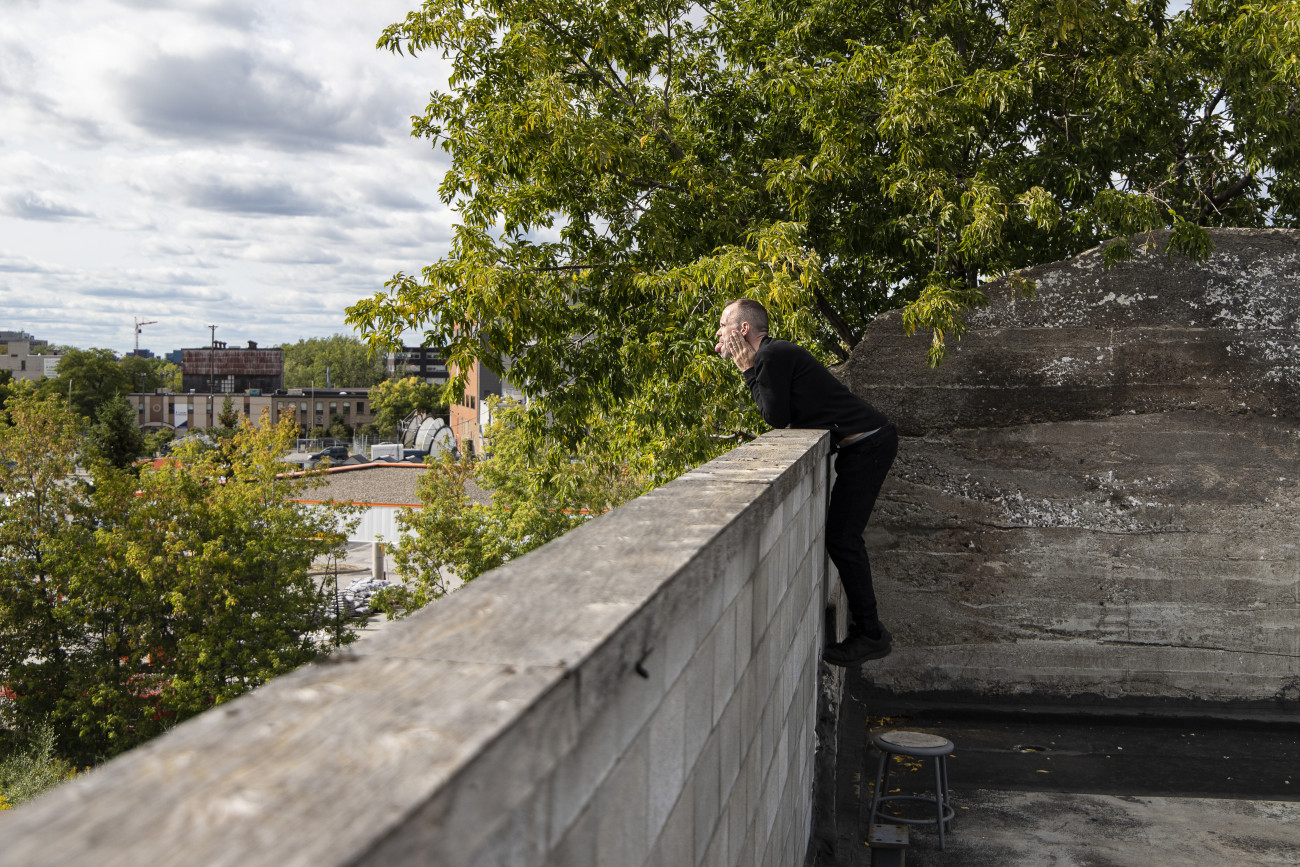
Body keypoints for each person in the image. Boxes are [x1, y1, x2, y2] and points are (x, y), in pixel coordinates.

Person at [715, 298, 899, 666]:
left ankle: (871, 634)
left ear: (743, 330)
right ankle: (869, 631)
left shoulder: (770, 356)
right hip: (861, 444)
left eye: (723, 325)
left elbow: (775, 416)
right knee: (843, 538)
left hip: (869, 443)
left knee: (843, 539)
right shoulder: (773, 355)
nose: (717, 334)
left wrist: (747, 371)